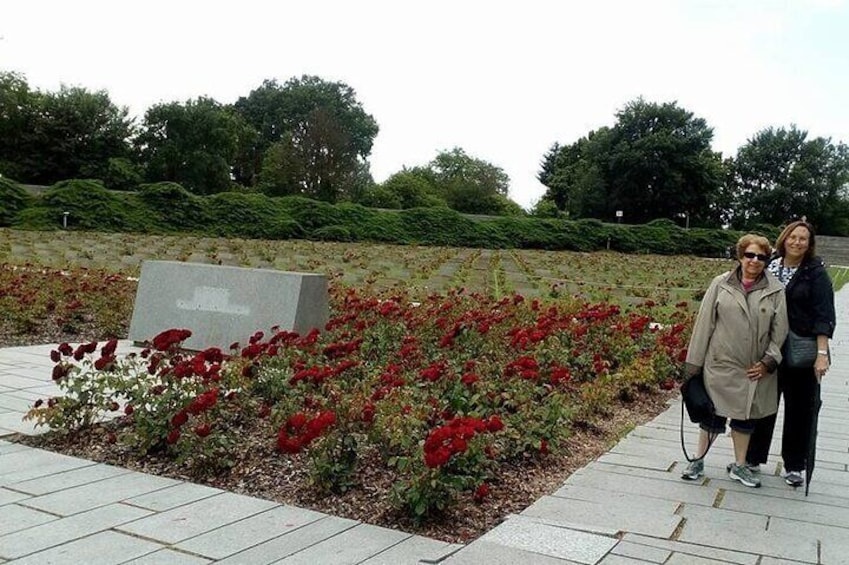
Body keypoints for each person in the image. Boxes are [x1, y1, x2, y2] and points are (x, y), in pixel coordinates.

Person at [681, 234, 788, 487]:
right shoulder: (720, 283)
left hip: (753, 369)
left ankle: (740, 466)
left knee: (745, 419)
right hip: (720, 364)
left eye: (761, 257)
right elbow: (703, 324)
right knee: (711, 415)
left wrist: (768, 362)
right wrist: (692, 366)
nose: (754, 261)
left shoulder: (776, 290)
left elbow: (780, 332)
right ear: (740, 257)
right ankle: (697, 460)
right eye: (749, 255)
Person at [745, 220, 836, 487]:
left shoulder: (815, 272)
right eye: (793, 237)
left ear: (809, 244)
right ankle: (752, 457)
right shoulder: (770, 265)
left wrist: (822, 353)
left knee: (800, 409)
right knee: (763, 405)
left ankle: (795, 464)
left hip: (801, 351)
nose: (797, 242)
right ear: (784, 239)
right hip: (769, 349)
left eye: (803, 239)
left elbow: (824, 315)